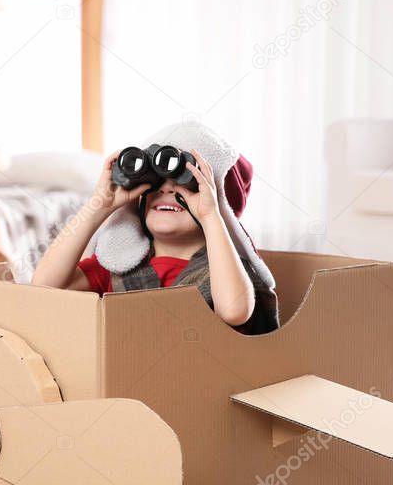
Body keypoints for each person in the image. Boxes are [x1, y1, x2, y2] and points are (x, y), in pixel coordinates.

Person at [31, 121, 279, 335]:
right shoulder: (118, 269)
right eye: (156, 180)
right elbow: (44, 287)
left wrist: (210, 215)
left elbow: (234, 311)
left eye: (186, 182)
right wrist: (99, 206)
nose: (167, 189)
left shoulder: (228, 272)